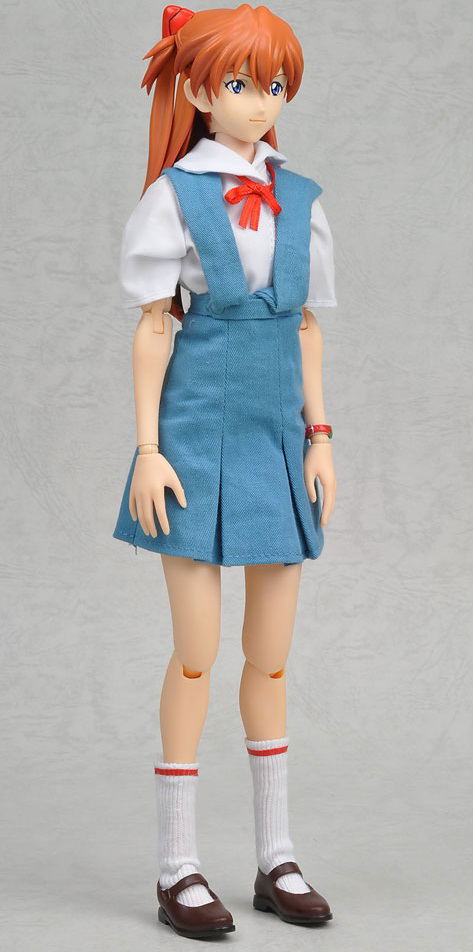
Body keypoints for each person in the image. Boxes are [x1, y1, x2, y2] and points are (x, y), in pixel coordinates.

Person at [113, 3, 337, 939]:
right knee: (197, 651)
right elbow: (153, 327)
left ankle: (275, 855)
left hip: (278, 441)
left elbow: (306, 326)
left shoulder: (301, 196)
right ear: (200, 91)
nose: (260, 102)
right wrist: (148, 450)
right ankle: (178, 866)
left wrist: (319, 435)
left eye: (273, 85)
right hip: (196, 438)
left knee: (270, 656)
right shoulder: (177, 194)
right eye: (241, 83)